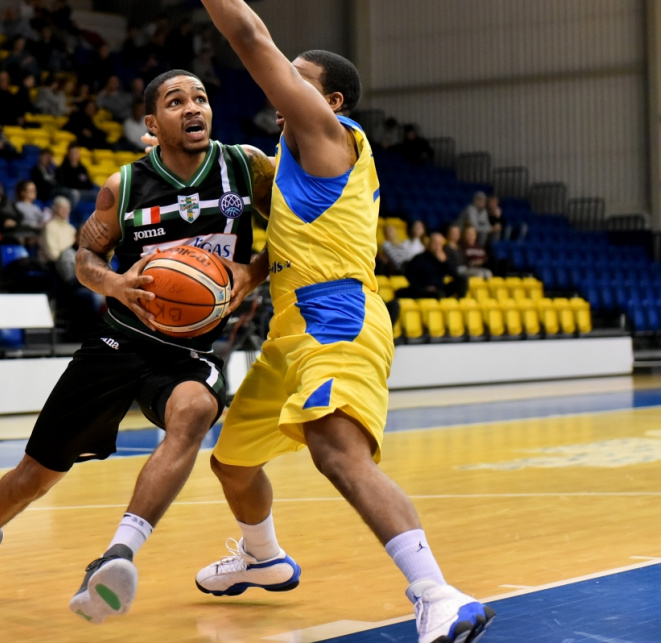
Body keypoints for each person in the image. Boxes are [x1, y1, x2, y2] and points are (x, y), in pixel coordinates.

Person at [0, 69, 275, 625]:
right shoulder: (123, 185)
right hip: (120, 340)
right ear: (152, 122)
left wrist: (249, 275)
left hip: (189, 350)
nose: (193, 108)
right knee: (36, 474)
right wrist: (115, 284)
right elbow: (84, 259)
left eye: (201, 98)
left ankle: (117, 554)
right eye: (176, 101)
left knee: (196, 411)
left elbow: (295, 233)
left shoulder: (245, 167)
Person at [193, 3, 494, 643]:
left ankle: (439, 594)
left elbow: (247, 34)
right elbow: (292, 228)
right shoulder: (298, 158)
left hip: (338, 319)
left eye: (298, 78)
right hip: (289, 331)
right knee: (232, 462)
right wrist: (250, 271)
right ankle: (262, 557)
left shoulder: (328, 135)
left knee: (338, 455)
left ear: (329, 101)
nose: (284, 84)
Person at [38, 196, 75, 265]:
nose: (65, 211)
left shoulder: (71, 229)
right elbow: (52, 254)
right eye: (62, 208)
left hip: (70, 261)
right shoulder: (50, 226)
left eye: (67, 208)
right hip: (53, 264)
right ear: (55, 209)